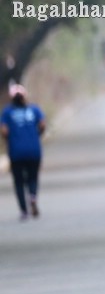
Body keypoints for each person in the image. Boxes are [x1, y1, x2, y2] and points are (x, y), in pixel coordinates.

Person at [1, 84, 46, 221]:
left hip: (16, 152)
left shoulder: (7, 112)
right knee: (33, 177)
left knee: (19, 182)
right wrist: (37, 135)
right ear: (25, 96)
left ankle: (23, 211)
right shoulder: (34, 109)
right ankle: (32, 196)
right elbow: (43, 125)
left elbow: (4, 130)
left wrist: (8, 139)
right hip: (34, 150)